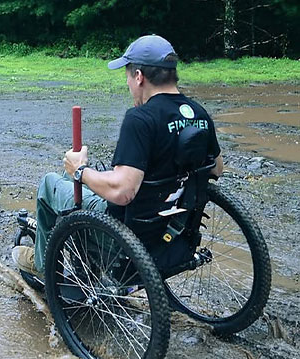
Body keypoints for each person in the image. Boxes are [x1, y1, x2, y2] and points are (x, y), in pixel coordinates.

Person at [12, 34, 223, 278]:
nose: (128, 84)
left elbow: (123, 193)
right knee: (69, 180)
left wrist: (80, 169)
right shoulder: (198, 114)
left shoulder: (141, 119)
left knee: (51, 182)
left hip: (125, 237)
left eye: (127, 77)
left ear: (139, 76)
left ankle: (43, 267)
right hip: (173, 231)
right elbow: (216, 169)